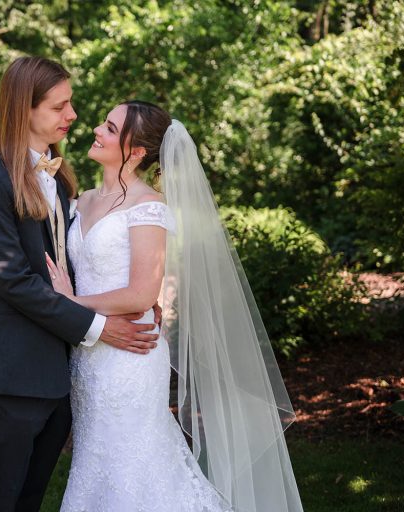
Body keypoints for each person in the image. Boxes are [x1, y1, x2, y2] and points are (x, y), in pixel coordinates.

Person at [47, 101, 304, 511]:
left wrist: (70, 302)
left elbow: (142, 294)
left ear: (135, 152)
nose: (97, 129)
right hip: (88, 356)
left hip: (129, 357)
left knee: (133, 464)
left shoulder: (149, 207)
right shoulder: (81, 200)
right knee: (97, 461)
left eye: (110, 128)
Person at [0, 58, 161, 512]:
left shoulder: (62, 179)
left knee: (31, 496)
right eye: (60, 106)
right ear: (24, 110)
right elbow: (14, 281)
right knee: (0, 496)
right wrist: (98, 325)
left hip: (65, 370)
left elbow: (79, 263)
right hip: (16, 368)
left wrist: (134, 300)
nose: (72, 116)